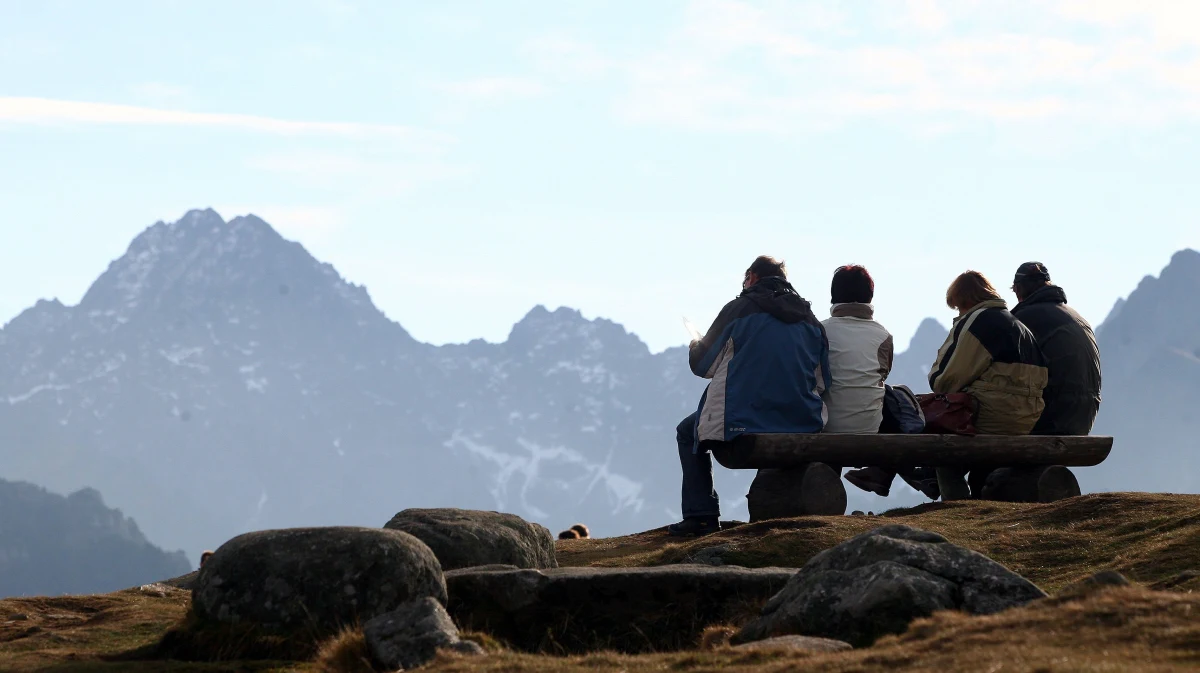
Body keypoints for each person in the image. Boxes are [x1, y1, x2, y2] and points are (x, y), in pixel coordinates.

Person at [668, 256, 831, 537]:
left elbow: (702, 365)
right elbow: (822, 381)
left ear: (752, 277)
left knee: (687, 432)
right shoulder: (811, 320)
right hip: (801, 421)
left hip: (744, 422)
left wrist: (696, 343)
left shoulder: (738, 310)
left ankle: (701, 516)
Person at [929, 271, 1049, 498]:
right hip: (1025, 418)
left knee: (939, 450)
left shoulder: (979, 321)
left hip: (993, 416)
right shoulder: (1017, 324)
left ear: (963, 300)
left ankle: (955, 506)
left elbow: (944, 380)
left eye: (957, 307)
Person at [1010, 262, 1102, 435]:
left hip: (1052, 417)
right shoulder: (1077, 317)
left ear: (1019, 289)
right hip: (1085, 418)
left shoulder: (1023, 319)